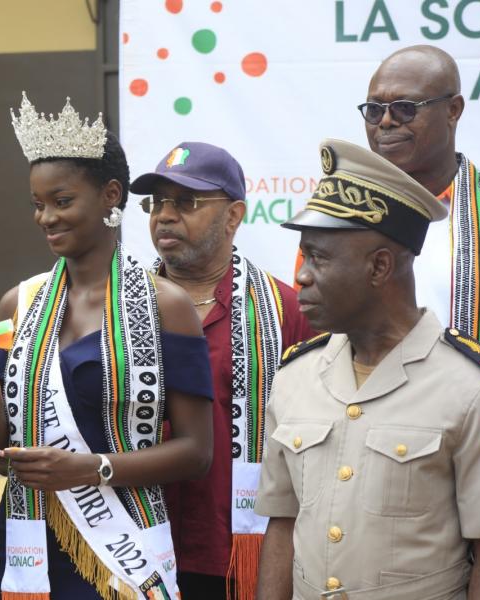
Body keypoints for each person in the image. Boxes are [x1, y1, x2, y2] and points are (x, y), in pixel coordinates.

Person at [0, 93, 214, 599]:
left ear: (111, 195)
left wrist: (93, 469)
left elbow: (196, 453)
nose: (45, 217)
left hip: (123, 547)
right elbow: (3, 461)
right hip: (26, 544)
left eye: (62, 201)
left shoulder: (167, 306)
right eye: (38, 204)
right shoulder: (18, 305)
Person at [255, 138, 480, 599]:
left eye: (319, 257)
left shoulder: (472, 390)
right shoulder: (293, 378)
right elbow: (282, 526)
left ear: (380, 267)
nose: (301, 275)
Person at [129, 142, 314, 600]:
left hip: (240, 555)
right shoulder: (117, 309)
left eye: (186, 202)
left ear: (233, 216)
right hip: (134, 548)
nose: (165, 216)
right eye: (156, 203)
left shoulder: (287, 310)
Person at [362, 45, 480, 345]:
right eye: (374, 110)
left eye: (404, 108)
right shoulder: (339, 215)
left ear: (453, 110)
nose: (385, 121)